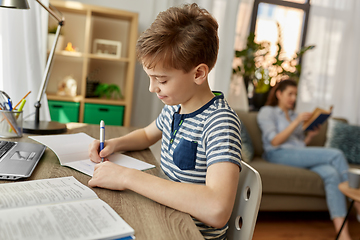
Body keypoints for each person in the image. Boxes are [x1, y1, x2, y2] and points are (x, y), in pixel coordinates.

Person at [88, 3, 242, 239]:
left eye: (161, 79)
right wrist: (114, 143)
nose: (152, 88)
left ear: (198, 74)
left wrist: (127, 176)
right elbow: (147, 135)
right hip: (164, 216)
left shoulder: (219, 123)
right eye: (150, 77)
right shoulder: (175, 107)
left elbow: (217, 209)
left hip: (187, 233)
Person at [257, 79, 360, 240]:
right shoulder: (267, 112)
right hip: (278, 153)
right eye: (290, 93)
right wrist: (297, 121)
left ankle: (343, 235)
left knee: (332, 174)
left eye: (295, 94)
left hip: (298, 154)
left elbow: (299, 144)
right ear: (279, 94)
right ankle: (358, 203)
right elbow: (274, 141)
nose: (293, 98)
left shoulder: (292, 114)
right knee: (336, 154)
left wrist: (310, 136)